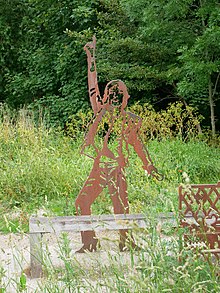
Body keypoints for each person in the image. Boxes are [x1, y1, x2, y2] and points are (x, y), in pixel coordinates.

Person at [75, 37, 162, 253]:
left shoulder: (128, 120)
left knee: (121, 206)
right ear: (105, 98)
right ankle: (89, 242)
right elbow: (92, 86)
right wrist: (91, 57)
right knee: (82, 203)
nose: (113, 98)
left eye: (118, 95)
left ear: (125, 99)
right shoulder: (100, 113)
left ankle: (126, 242)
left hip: (115, 170)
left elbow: (138, 144)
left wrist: (148, 165)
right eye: (110, 95)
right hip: (100, 168)